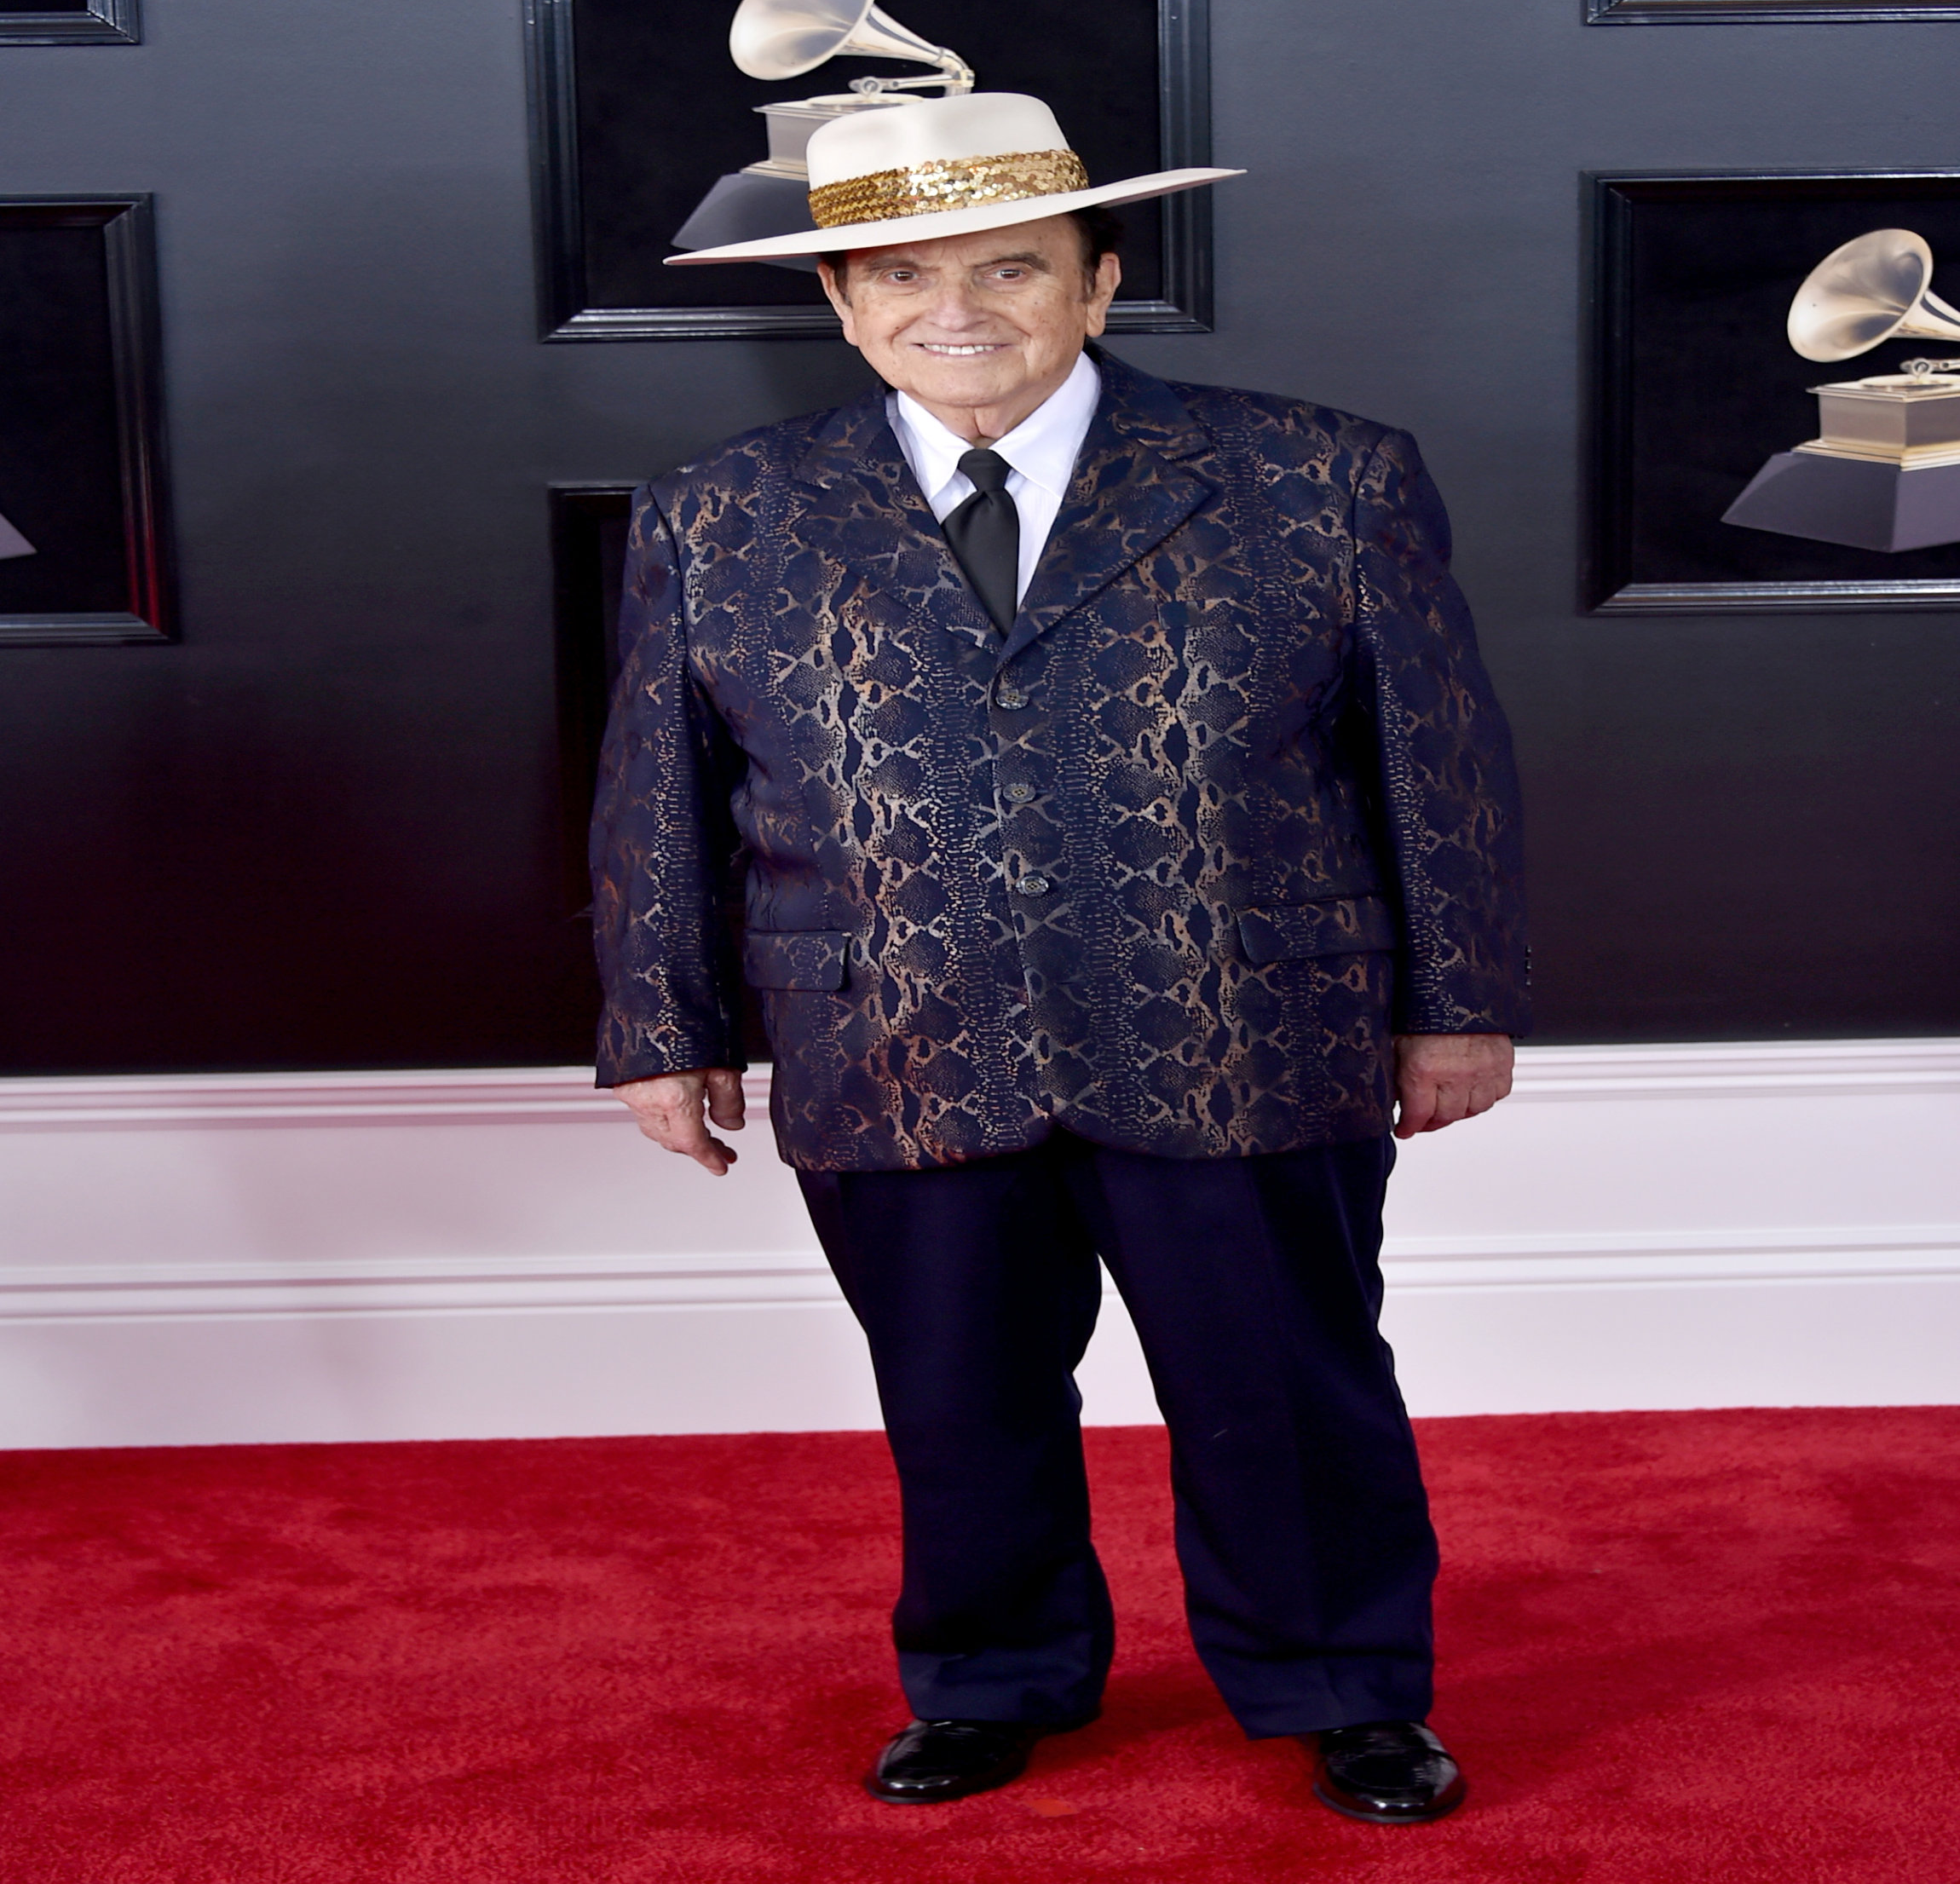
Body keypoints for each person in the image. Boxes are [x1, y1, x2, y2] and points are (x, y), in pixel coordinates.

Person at [591, 92, 1527, 1825]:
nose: (959, 306)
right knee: (957, 1397)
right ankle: (990, 1674)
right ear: (845, 304)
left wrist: (1455, 1003)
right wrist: (663, 1022)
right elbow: (658, 785)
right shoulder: (720, 513)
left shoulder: (1318, 474)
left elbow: (1438, 758)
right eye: (903, 271)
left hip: (1245, 1023)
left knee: (1287, 1389)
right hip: (892, 1032)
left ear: (1098, 283)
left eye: (1011, 264)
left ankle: (1344, 1685)